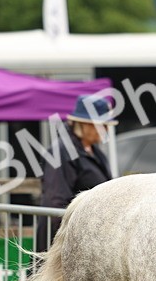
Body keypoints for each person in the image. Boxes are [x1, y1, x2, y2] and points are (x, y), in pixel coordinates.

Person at [37, 95, 117, 251]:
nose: (106, 130)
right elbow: (56, 201)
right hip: (63, 239)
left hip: (88, 234)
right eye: (102, 125)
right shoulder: (61, 151)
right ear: (85, 125)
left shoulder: (96, 153)